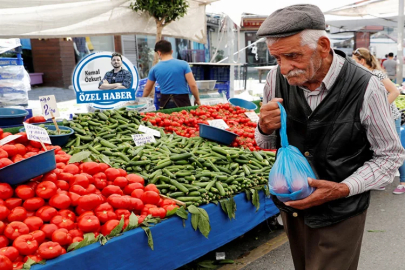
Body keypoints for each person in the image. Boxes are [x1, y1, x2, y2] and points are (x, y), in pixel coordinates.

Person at [255, 4, 405, 270]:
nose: (285, 67)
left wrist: (342, 189)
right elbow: (266, 143)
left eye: (292, 56)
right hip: (293, 207)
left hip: (341, 213)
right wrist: (264, 127)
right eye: (277, 58)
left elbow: (390, 156)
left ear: (323, 45)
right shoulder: (274, 79)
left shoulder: (366, 86)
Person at [352, 48, 405, 194]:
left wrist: (380, 109)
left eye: (355, 61)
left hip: (391, 116)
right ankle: (382, 180)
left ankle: (403, 181)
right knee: (377, 148)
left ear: (362, 61)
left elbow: (395, 91)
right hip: (375, 118)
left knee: (394, 148)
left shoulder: (376, 74)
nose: (352, 64)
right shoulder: (362, 75)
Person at [142, 40, 201, 109]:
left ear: (159, 53)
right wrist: (197, 99)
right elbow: (193, 85)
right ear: (172, 51)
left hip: (165, 103)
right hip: (183, 101)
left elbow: (147, 89)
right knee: (185, 119)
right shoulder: (184, 64)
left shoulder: (154, 69)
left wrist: (142, 101)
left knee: (168, 119)